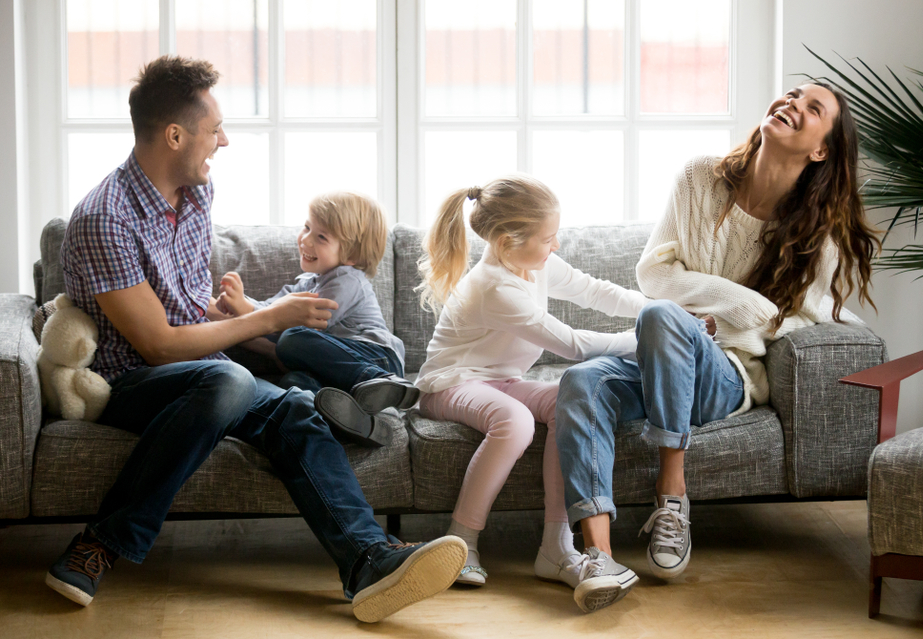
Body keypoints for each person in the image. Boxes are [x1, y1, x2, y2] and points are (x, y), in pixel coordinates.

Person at [45, 55, 466, 623]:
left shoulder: (194, 195)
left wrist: (226, 313)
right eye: (214, 129)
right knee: (227, 377)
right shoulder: (105, 218)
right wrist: (269, 320)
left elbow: (183, 301)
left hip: (209, 373)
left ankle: (368, 560)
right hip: (130, 381)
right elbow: (157, 346)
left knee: (297, 409)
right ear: (175, 136)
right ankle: (101, 541)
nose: (224, 140)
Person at [555, 82, 879, 613]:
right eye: (793, 93)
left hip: (726, 377)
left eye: (812, 108)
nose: (792, 103)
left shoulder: (819, 232)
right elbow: (653, 273)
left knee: (662, 316)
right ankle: (600, 557)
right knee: (581, 380)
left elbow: (807, 314)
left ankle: (672, 496)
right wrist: (739, 301)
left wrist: (728, 323)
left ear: (822, 150)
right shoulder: (700, 177)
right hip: (663, 362)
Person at [414, 174, 653, 595]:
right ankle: (461, 541)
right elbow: (574, 345)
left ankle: (556, 549)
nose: (555, 245)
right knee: (516, 421)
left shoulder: (533, 265)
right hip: (449, 384)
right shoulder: (495, 287)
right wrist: (645, 339)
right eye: (547, 238)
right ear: (507, 241)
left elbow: (594, 292)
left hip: (502, 381)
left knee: (570, 403)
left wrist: (658, 310)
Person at [217, 191, 417, 447]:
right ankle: (360, 424)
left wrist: (244, 308)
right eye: (307, 227)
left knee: (292, 339)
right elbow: (270, 310)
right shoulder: (306, 284)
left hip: (376, 359)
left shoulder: (347, 280)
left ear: (352, 256)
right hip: (339, 376)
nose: (306, 240)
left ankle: (381, 381)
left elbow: (290, 323)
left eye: (321, 237)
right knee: (294, 384)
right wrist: (239, 304)